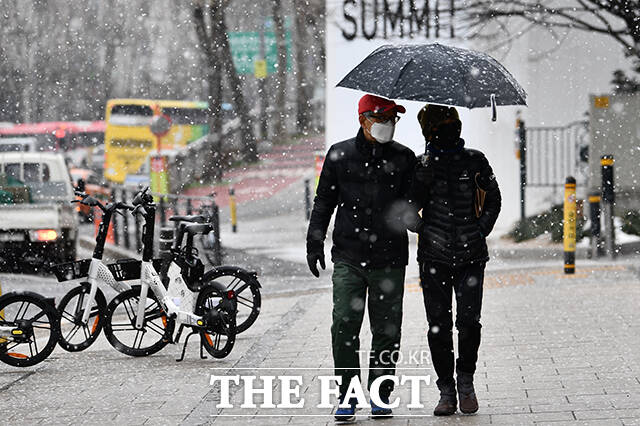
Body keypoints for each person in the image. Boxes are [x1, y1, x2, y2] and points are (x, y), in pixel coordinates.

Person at [306, 94, 416, 421]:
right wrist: (314, 243)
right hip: (349, 257)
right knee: (344, 325)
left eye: (393, 119)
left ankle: (380, 395)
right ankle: (348, 394)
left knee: (386, 330)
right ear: (363, 120)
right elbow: (324, 202)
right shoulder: (340, 156)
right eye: (382, 119)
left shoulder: (404, 158)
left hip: (389, 259)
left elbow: (412, 210)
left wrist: (423, 181)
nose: (388, 126)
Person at [409, 104, 501, 416]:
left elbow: (493, 198)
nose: (452, 128)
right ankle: (445, 389)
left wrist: (481, 230)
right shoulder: (421, 165)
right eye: (445, 124)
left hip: (471, 257)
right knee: (438, 326)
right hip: (433, 258)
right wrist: (425, 230)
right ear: (430, 131)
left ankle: (466, 382)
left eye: (454, 122)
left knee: (469, 323)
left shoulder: (475, 160)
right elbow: (405, 210)